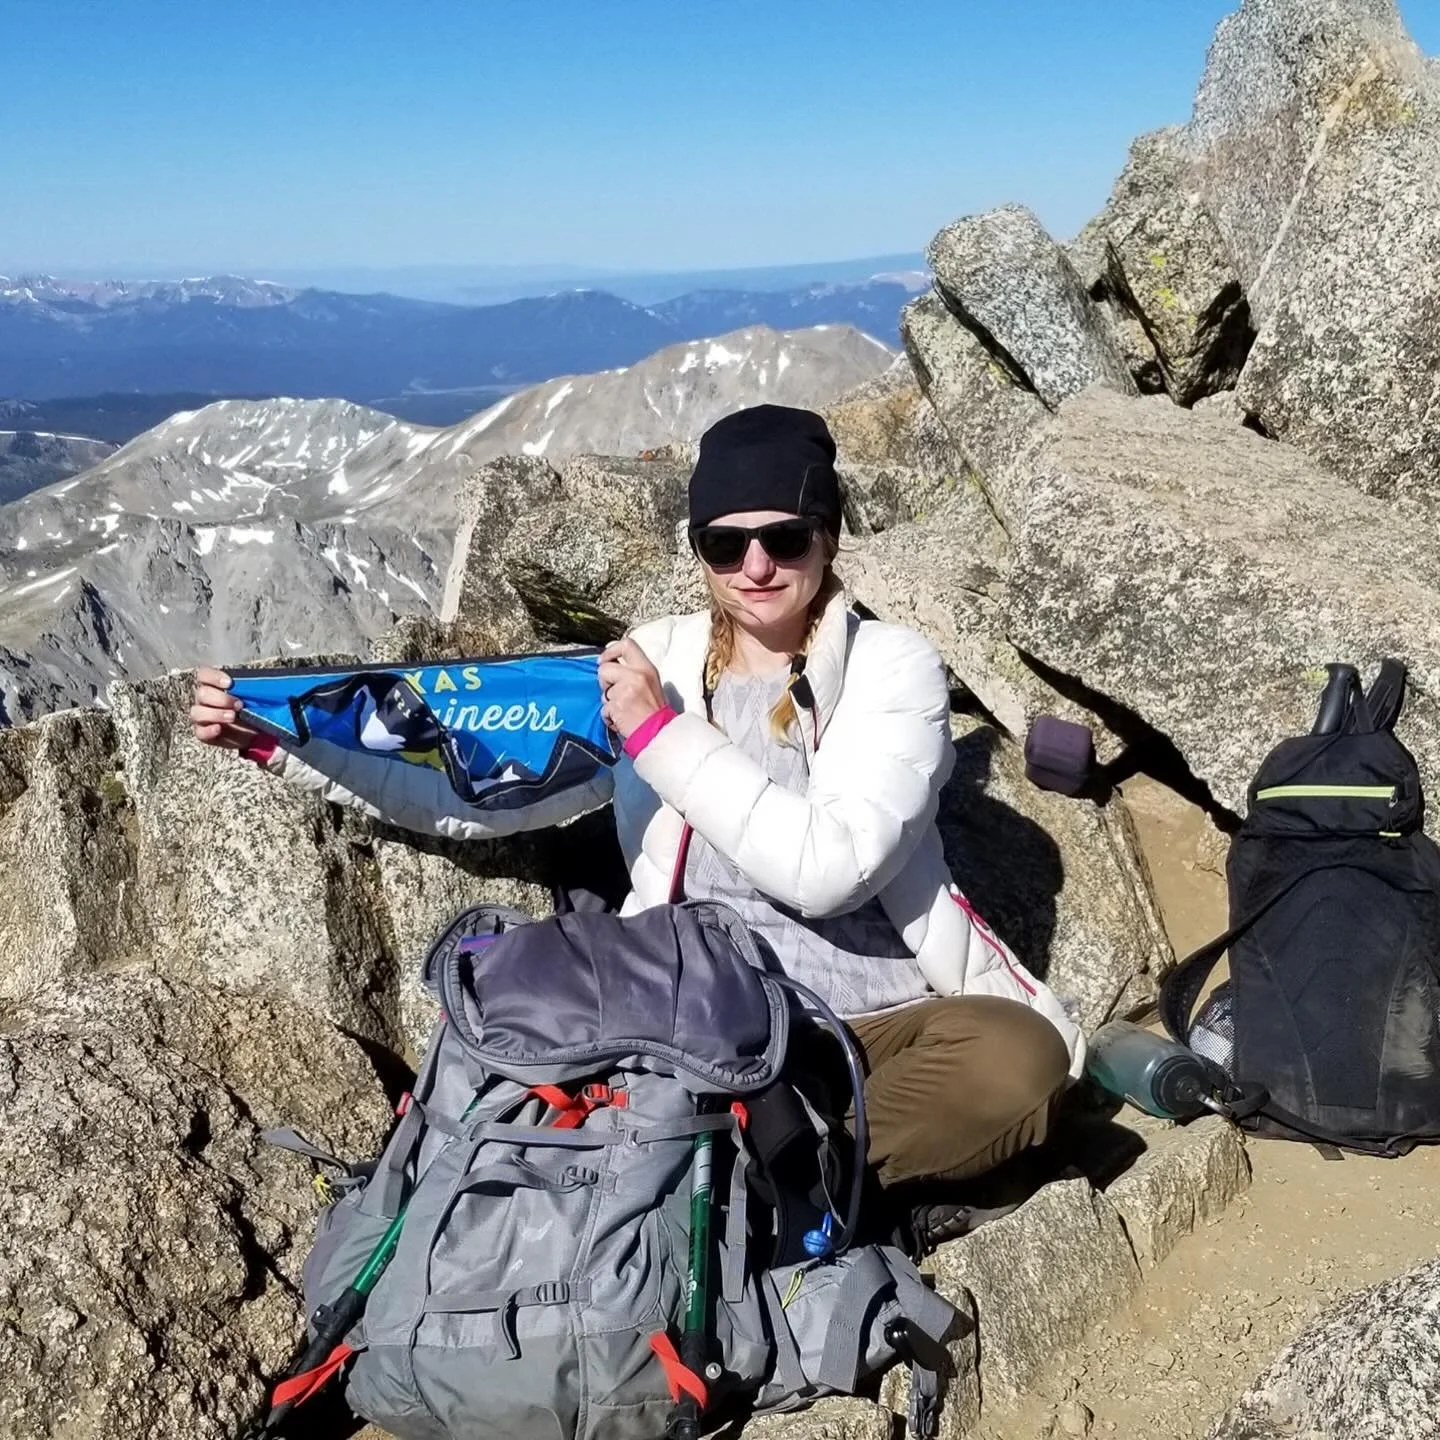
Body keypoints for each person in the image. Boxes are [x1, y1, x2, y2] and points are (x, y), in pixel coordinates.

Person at [191, 403, 1082, 1253]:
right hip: (694, 1010)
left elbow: (830, 869)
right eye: (724, 544)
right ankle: (776, 1188)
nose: (756, 566)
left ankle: (780, 1185)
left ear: (830, 537)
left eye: (786, 538)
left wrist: (660, 734)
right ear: (699, 552)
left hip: (876, 1023)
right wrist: (289, 740)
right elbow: (484, 777)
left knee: (1017, 1064)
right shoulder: (654, 657)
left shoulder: (895, 668)